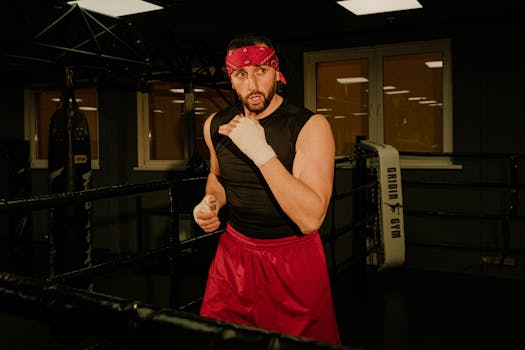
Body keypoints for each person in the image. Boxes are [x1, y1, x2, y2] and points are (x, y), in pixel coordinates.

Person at [192, 33, 341, 345]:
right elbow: (218, 178)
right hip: (233, 256)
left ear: (277, 73)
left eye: (261, 70)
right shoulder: (215, 125)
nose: (252, 84)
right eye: (241, 74)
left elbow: (311, 218)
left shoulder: (309, 127)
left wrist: (261, 153)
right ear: (231, 79)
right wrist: (210, 202)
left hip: (291, 258)